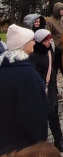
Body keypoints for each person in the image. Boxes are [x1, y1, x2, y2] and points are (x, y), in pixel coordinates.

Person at [0, 24, 49, 155]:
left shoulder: (4, 67)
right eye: (32, 40)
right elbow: (36, 110)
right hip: (24, 144)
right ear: (23, 44)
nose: (34, 42)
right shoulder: (26, 73)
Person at [29, 29, 63, 153]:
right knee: (41, 120)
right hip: (40, 91)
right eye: (46, 40)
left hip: (50, 89)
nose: (49, 42)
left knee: (54, 116)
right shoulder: (33, 56)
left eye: (50, 39)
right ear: (39, 42)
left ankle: (58, 140)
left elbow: (53, 69)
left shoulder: (50, 50)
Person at [46, 2, 63, 101]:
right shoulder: (49, 21)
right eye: (61, 9)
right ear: (57, 10)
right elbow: (49, 36)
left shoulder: (62, 19)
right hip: (56, 52)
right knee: (54, 74)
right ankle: (55, 92)